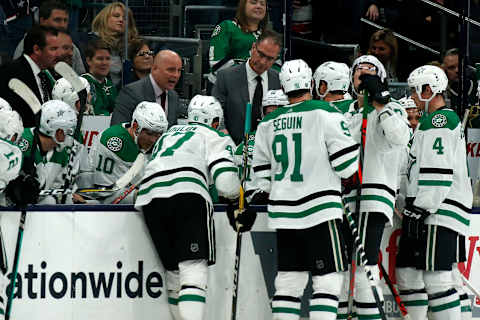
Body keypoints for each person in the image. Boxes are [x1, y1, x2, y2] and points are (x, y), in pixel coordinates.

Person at [248, 59, 359, 320]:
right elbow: (346, 167)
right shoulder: (326, 112)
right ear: (311, 83)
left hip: (284, 213)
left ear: (283, 86)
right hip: (320, 210)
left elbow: (261, 179)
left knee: (288, 283)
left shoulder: (268, 122)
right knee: (328, 282)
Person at [135, 95, 240, 320]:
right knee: (193, 270)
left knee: (174, 275)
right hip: (188, 192)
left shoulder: (168, 134)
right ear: (214, 121)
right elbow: (225, 182)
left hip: (150, 197)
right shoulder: (212, 135)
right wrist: (237, 201)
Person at [395, 65, 472, 320]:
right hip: (432, 208)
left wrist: (420, 208)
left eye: (416, 91)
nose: (414, 97)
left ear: (428, 89)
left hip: (438, 210)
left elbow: (438, 170)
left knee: (438, 279)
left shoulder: (439, 120)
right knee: (408, 274)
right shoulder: (432, 122)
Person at [338, 55, 411, 319]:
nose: (364, 74)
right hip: (344, 199)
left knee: (363, 266)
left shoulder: (392, 108)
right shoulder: (344, 111)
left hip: (373, 195)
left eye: (371, 71)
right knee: (341, 270)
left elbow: (401, 137)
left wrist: (381, 105)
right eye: (359, 70)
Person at [86, 101, 168, 204]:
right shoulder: (112, 141)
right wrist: (143, 195)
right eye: (149, 133)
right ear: (135, 126)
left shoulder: (159, 144)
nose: (153, 140)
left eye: (158, 135)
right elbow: (105, 195)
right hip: (97, 209)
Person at [212, 29, 282, 145]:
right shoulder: (226, 77)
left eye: (270, 58)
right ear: (253, 47)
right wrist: (224, 138)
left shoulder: (279, 80)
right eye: (261, 54)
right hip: (233, 149)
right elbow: (216, 113)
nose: (263, 62)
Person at [17, 99, 83, 204]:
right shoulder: (21, 142)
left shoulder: (61, 152)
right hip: (9, 211)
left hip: (36, 208)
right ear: (58, 131)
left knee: (50, 201)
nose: (69, 136)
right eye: (68, 131)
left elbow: (56, 188)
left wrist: (67, 196)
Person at [0, 25, 60, 127]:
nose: (58, 54)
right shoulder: (10, 74)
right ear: (36, 49)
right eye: (53, 49)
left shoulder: (47, 76)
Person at [111, 50, 186, 127]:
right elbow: (117, 130)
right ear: (154, 69)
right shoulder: (131, 93)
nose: (176, 75)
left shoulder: (173, 96)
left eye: (179, 70)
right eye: (171, 70)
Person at [12, 0, 85, 75]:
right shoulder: (26, 46)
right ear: (42, 21)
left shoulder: (72, 48)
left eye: (65, 20)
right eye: (57, 20)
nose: (62, 25)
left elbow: (81, 80)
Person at [208, 0, 269, 84]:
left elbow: (276, 67)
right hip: (226, 88)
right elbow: (217, 65)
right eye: (253, 2)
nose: (259, 6)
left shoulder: (268, 36)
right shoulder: (227, 27)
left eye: (262, 4)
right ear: (243, 6)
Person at [89, 1, 139, 87]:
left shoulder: (132, 46)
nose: (121, 20)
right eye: (116, 16)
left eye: (125, 18)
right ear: (104, 19)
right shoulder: (91, 41)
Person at [81, 39, 118, 115]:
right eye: (100, 59)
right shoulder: (83, 84)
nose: (104, 63)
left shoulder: (110, 85)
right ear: (89, 61)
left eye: (107, 59)